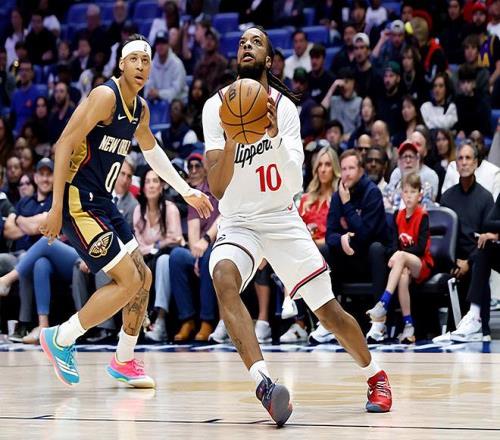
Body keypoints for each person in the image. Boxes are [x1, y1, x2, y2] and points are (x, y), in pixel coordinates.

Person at [202, 27, 392, 426]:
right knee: (222, 276)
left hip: (280, 217)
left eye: (256, 41)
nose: (247, 45)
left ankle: (375, 375)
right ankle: (264, 385)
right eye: (242, 42)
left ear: (269, 60)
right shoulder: (215, 108)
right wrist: (235, 138)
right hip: (239, 221)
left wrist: (271, 136)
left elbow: (292, 183)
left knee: (329, 312)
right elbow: (217, 187)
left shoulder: (284, 108)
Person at [38, 34, 213, 388]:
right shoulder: (105, 96)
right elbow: (63, 144)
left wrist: (186, 190)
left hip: (103, 203)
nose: (141, 66)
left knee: (143, 278)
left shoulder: (140, 109)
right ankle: (60, 337)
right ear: (121, 64)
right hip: (77, 201)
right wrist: (56, 207)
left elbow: (153, 152)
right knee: (129, 280)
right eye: (134, 59)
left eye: (146, 61)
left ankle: (124, 359)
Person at [366, 173, 434, 344]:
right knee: (403, 276)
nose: (409, 196)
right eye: (406, 192)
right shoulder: (398, 215)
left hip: (421, 263)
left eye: (413, 192)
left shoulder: (423, 215)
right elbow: (395, 243)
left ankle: (383, 303)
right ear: (401, 194)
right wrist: (398, 255)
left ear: (420, 195)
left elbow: (420, 248)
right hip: (404, 265)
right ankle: (408, 325)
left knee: (401, 256)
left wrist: (399, 255)